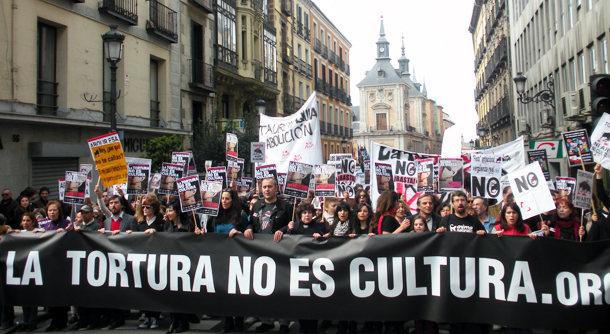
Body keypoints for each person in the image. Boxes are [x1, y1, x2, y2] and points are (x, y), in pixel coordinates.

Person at [245, 178, 292, 333]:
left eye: (269, 186)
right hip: (261, 252)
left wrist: (284, 230)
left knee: (281, 287)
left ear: (276, 188)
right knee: (264, 287)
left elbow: (293, 225)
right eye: (264, 187)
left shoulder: (285, 206)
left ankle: (284, 322)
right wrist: (249, 228)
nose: (266, 189)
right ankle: (267, 320)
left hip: (280, 251)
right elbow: (252, 222)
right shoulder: (258, 205)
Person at [207, 188, 247, 333]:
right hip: (221, 258)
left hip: (238, 258)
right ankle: (228, 321)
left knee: (237, 292)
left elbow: (249, 232)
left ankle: (239, 321)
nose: (224, 201)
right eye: (222, 198)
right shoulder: (215, 216)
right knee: (224, 292)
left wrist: (240, 233)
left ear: (233, 200)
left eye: (227, 199)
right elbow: (210, 234)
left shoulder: (242, 215)